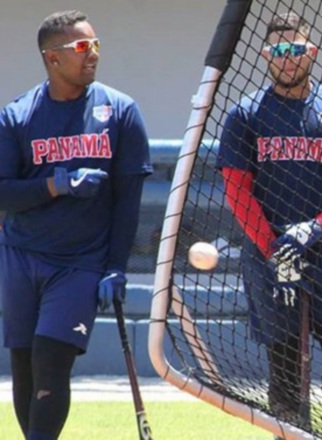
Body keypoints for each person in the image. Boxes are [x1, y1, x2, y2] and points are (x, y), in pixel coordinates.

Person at [216, 12, 322, 440]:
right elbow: (236, 190)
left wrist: (315, 229)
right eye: (279, 51)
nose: (288, 59)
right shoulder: (246, 115)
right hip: (269, 258)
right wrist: (273, 248)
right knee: (284, 366)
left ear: (312, 52)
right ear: (267, 55)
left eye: (297, 49)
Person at [0, 10, 152, 440]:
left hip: (80, 262)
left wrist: (116, 266)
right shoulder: (17, 116)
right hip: (21, 256)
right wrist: (56, 184)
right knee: (25, 366)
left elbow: (128, 202)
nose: (93, 55)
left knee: (51, 360)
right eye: (82, 47)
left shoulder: (120, 111)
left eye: (96, 45)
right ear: (53, 58)